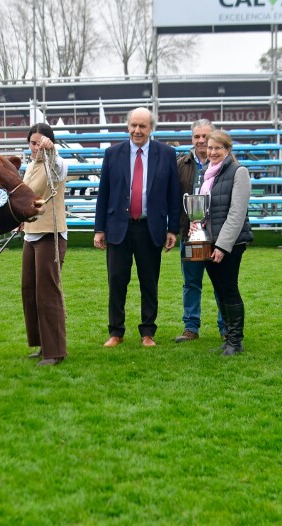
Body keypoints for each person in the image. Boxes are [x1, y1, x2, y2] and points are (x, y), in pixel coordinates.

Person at [93, 107, 179, 348]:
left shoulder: (166, 154)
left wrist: (172, 229)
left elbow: (173, 195)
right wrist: (99, 229)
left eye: (142, 126)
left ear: (151, 128)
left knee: (149, 282)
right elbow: (104, 194)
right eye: (133, 125)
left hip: (150, 228)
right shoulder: (112, 153)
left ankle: (148, 332)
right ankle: (116, 332)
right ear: (127, 126)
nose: (137, 130)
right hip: (118, 228)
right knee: (117, 281)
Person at [201, 130, 253, 356]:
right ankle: (228, 338)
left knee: (229, 289)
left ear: (227, 150)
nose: (213, 152)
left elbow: (237, 212)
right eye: (210, 148)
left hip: (229, 244)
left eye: (218, 148)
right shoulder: (206, 173)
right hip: (208, 241)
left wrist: (222, 246)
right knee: (219, 290)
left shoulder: (238, 172)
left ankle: (235, 341)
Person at [21, 123, 68, 366]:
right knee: (30, 291)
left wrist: (52, 150)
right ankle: (42, 344)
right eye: (33, 142)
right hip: (30, 233)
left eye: (41, 142)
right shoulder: (30, 165)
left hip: (51, 233)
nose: (36, 147)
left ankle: (55, 351)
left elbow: (57, 169)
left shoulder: (57, 163)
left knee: (48, 292)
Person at [175, 119, 225, 343]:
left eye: (206, 136)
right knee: (191, 283)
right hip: (190, 235)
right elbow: (175, 200)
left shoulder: (227, 164)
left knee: (222, 284)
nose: (201, 141)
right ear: (192, 138)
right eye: (197, 136)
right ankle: (191, 327)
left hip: (217, 236)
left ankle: (226, 328)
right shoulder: (181, 164)